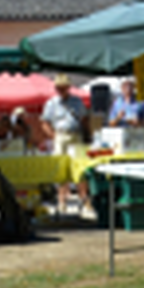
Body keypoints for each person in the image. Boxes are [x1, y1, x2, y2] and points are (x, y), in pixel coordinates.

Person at [40, 74, 89, 212]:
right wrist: (53, 135)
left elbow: (84, 119)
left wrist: (87, 135)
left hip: (76, 134)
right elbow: (44, 122)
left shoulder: (77, 101)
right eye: (59, 87)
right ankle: (62, 200)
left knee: (80, 167)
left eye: (63, 87)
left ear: (68, 87)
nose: (61, 89)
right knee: (61, 168)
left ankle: (84, 198)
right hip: (61, 135)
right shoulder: (51, 103)